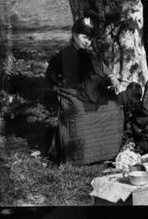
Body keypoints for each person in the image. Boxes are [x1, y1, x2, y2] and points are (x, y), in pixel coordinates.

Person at [45, 16, 123, 163]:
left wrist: (112, 78)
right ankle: (78, 157)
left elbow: (104, 70)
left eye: (90, 39)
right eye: (84, 37)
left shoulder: (91, 55)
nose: (88, 42)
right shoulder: (63, 56)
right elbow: (51, 77)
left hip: (93, 91)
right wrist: (59, 89)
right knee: (81, 112)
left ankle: (108, 153)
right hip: (73, 93)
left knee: (114, 107)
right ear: (75, 35)